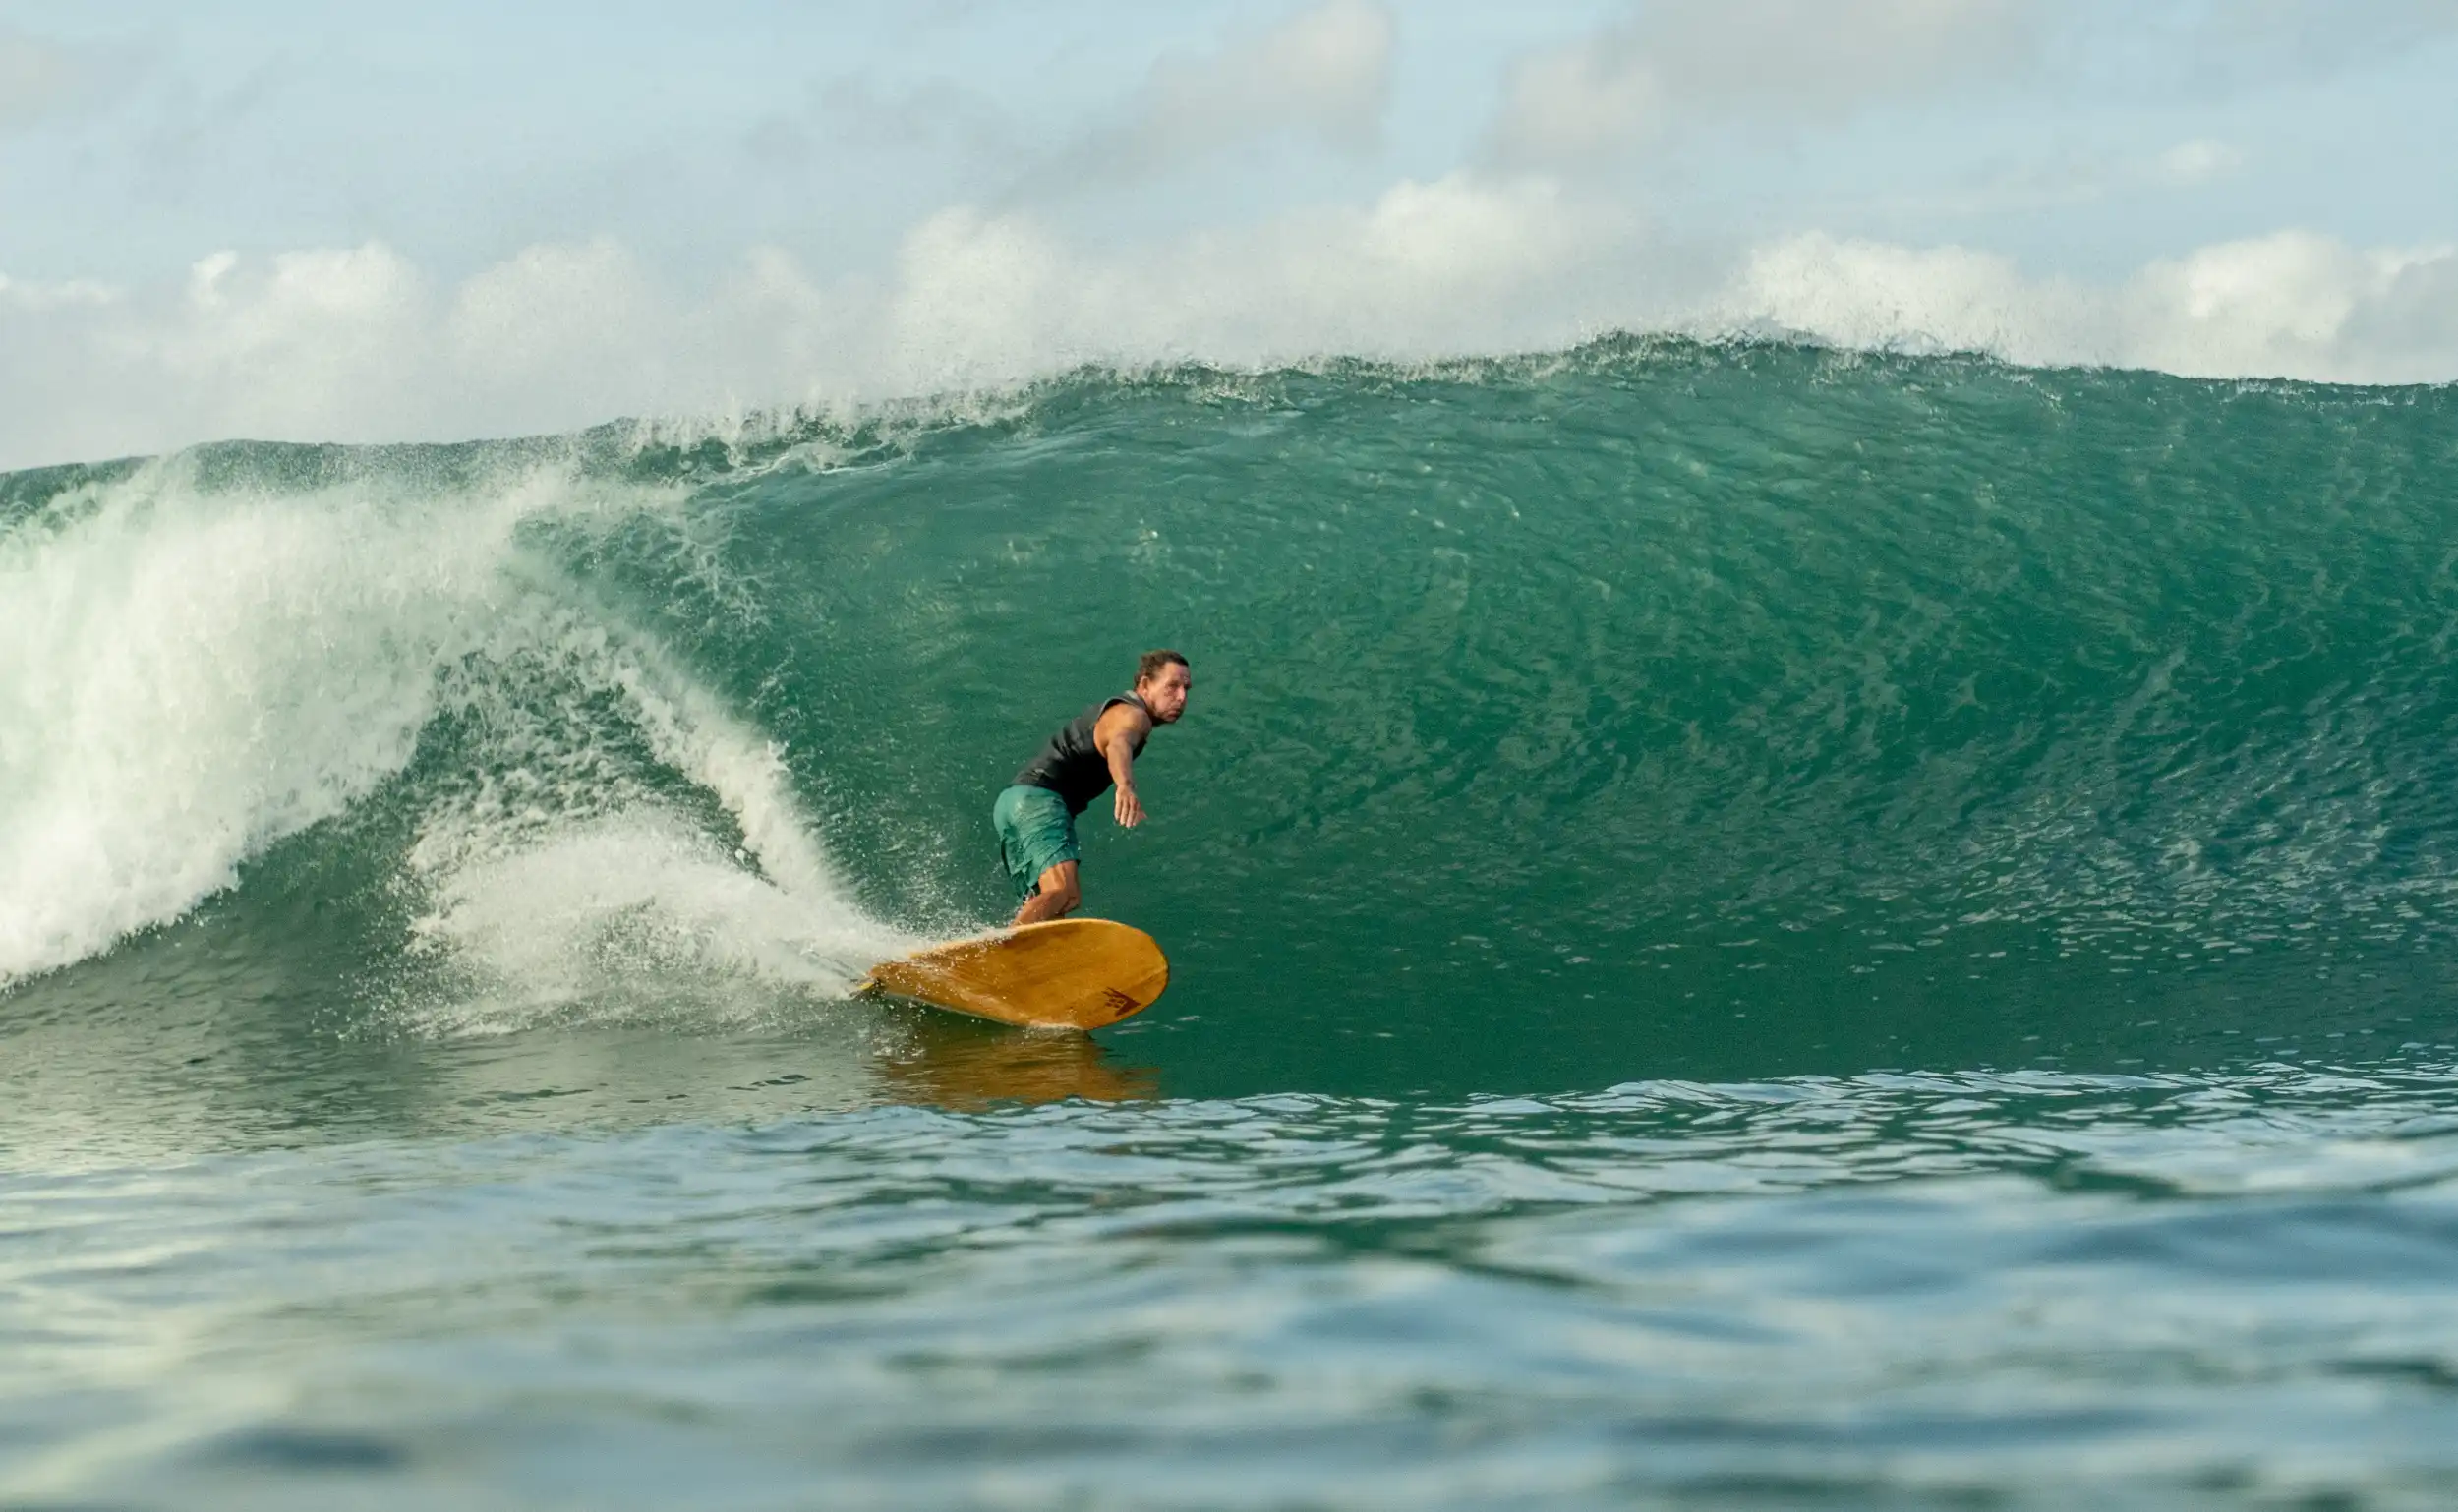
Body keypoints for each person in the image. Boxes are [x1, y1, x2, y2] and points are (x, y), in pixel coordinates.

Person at [992, 650, 1192, 924]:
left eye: (1185, 688)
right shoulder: (1134, 715)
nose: (1181, 697)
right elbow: (1119, 742)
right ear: (1145, 685)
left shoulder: (1120, 711)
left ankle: (1023, 959)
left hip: (1013, 802)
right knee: (1064, 891)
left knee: (1049, 908)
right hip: (1040, 800)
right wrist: (1125, 785)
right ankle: (1003, 952)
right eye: (1172, 686)